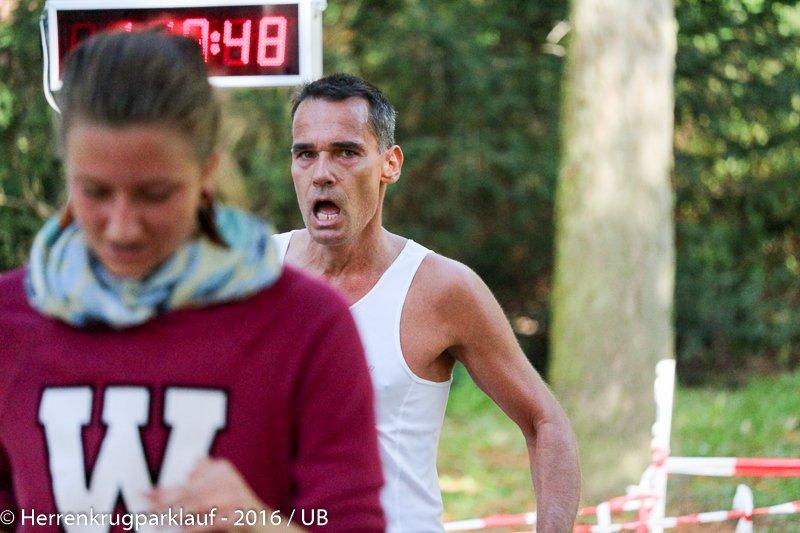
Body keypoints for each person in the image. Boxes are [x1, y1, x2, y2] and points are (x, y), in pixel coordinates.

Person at [0, 33, 385, 532]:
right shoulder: (10, 319)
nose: (121, 227)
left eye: (155, 194)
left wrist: (259, 525)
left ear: (207, 173)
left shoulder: (305, 325)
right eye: (94, 191)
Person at [274, 73, 581, 533]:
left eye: (346, 152)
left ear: (390, 164)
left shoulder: (440, 289)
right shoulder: (248, 275)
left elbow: (545, 421)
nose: (322, 173)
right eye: (306, 154)